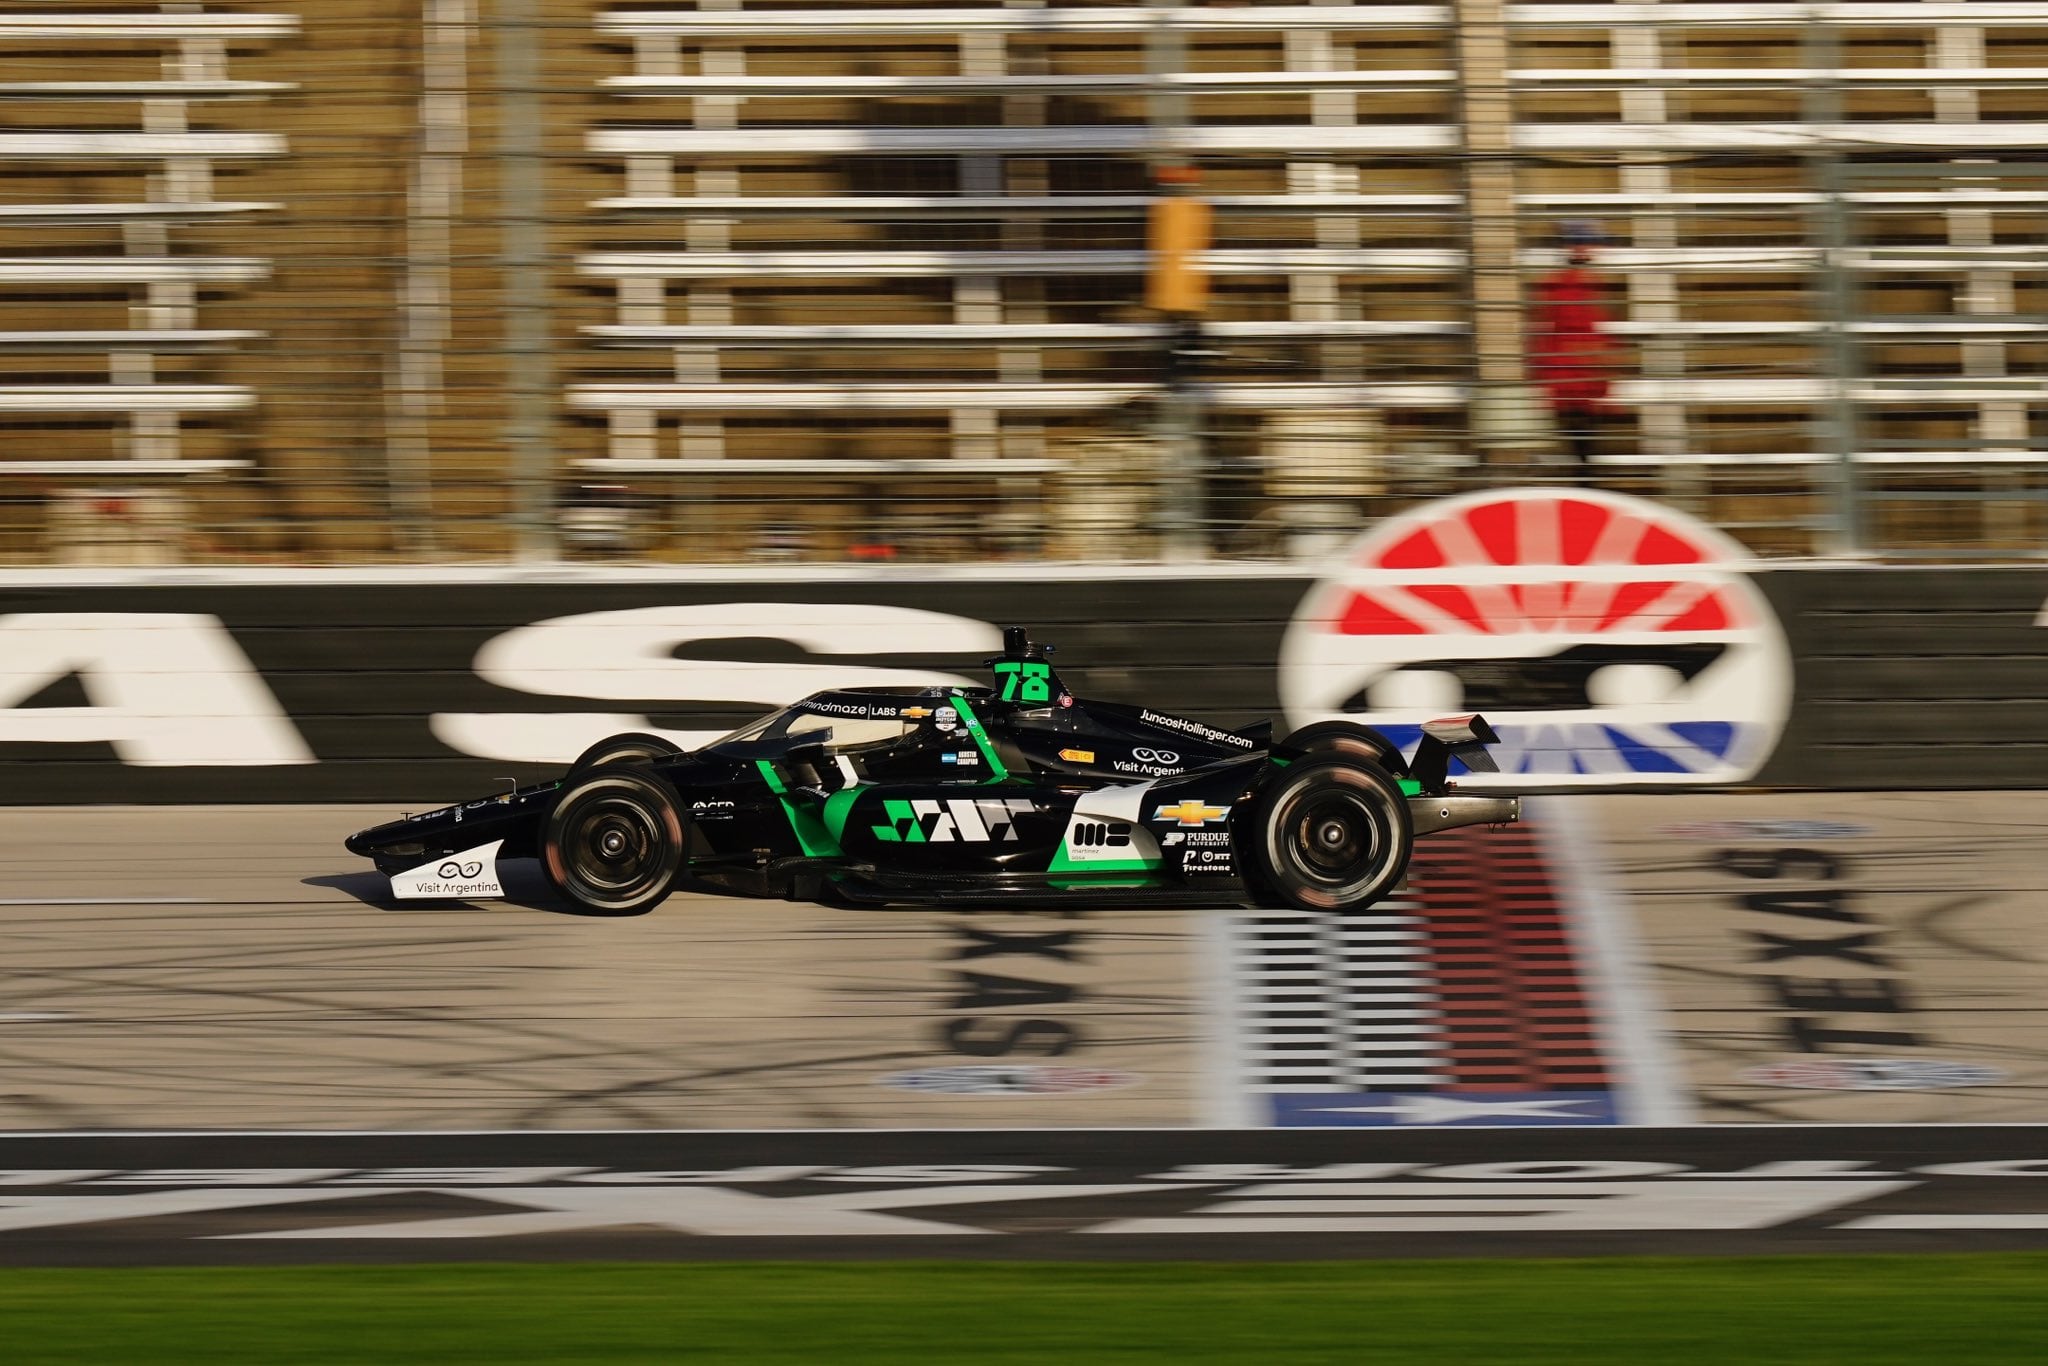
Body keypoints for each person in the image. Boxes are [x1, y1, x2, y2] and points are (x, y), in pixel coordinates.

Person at [1529, 223, 1620, 467]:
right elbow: (1576, 334)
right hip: (1574, 382)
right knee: (1583, 453)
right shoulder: (1568, 284)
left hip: (1575, 381)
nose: (1593, 249)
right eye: (1588, 244)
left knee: (1582, 452)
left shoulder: (1580, 282)